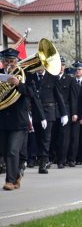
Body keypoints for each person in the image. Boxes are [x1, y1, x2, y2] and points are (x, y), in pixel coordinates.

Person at [0, 48, 44, 190]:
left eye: (12, 61)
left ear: (17, 61)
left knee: (13, 150)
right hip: (3, 121)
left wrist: (18, 84)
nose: (9, 64)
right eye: (6, 61)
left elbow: (31, 94)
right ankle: (18, 173)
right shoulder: (0, 75)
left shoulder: (27, 76)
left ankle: (10, 181)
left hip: (19, 121)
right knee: (6, 151)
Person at [26, 61, 68, 174]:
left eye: (41, 66)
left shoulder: (52, 77)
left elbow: (58, 96)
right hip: (35, 112)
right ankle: (41, 158)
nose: (39, 68)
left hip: (48, 111)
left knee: (46, 138)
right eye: (37, 66)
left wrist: (64, 113)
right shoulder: (30, 77)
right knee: (37, 137)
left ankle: (43, 163)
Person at [50, 56, 78, 168]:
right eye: (58, 65)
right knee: (53, 136)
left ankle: (62, 160)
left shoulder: (70, 79)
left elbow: (74, 98)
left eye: (62, 65)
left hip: (65, 111)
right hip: (52, 110)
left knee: (64, 137)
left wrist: (74, 113)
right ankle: (53, 157)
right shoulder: (51, 78)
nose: (61, 67)